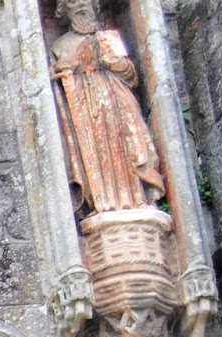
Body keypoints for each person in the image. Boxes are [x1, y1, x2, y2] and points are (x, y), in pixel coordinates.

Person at [49, 0, 165, 216]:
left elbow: (131, 75)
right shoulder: (60, 46)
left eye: (86, 1)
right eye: (73, 2)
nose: (81, 5)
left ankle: (136, 198)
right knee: (95, 149)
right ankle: (102, 203)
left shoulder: (108, 38)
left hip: (115, 100)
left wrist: (112, 62)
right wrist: (61, 70)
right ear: (64, 10)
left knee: (125, 142)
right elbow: (52, 79)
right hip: (84, 107)